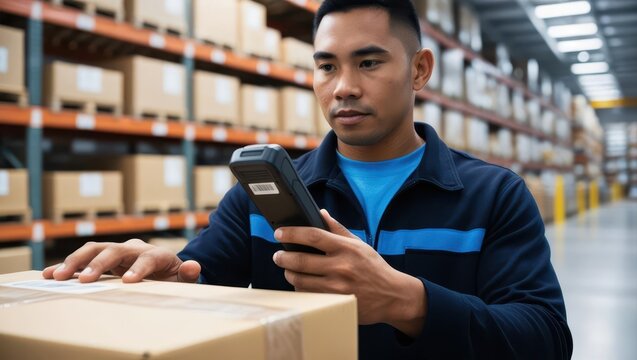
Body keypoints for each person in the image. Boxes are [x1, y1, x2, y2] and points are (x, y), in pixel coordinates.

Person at [43, 0, 573, 358]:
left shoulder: (493, 196)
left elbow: (546, 338)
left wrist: (409, 302)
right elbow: (202, 280)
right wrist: (169, 277)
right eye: (326, 67)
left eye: (368, 63)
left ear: (419, 70)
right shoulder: (261, 196)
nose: (342, 87)